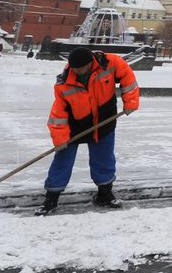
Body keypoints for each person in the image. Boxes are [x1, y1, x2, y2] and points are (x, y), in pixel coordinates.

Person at [38, 47, 140, 215]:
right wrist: (60, 139)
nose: (76, 71)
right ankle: (51, 198)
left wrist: (131, 102)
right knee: (63, 160)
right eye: (74, 68)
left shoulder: (110, 63)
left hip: (103, 120)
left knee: (104, 157)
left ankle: (104, 194)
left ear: (90, 63)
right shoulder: (63, 83)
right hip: (74, 125)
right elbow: (58, 114)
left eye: (80, 68)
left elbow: (128, 78)